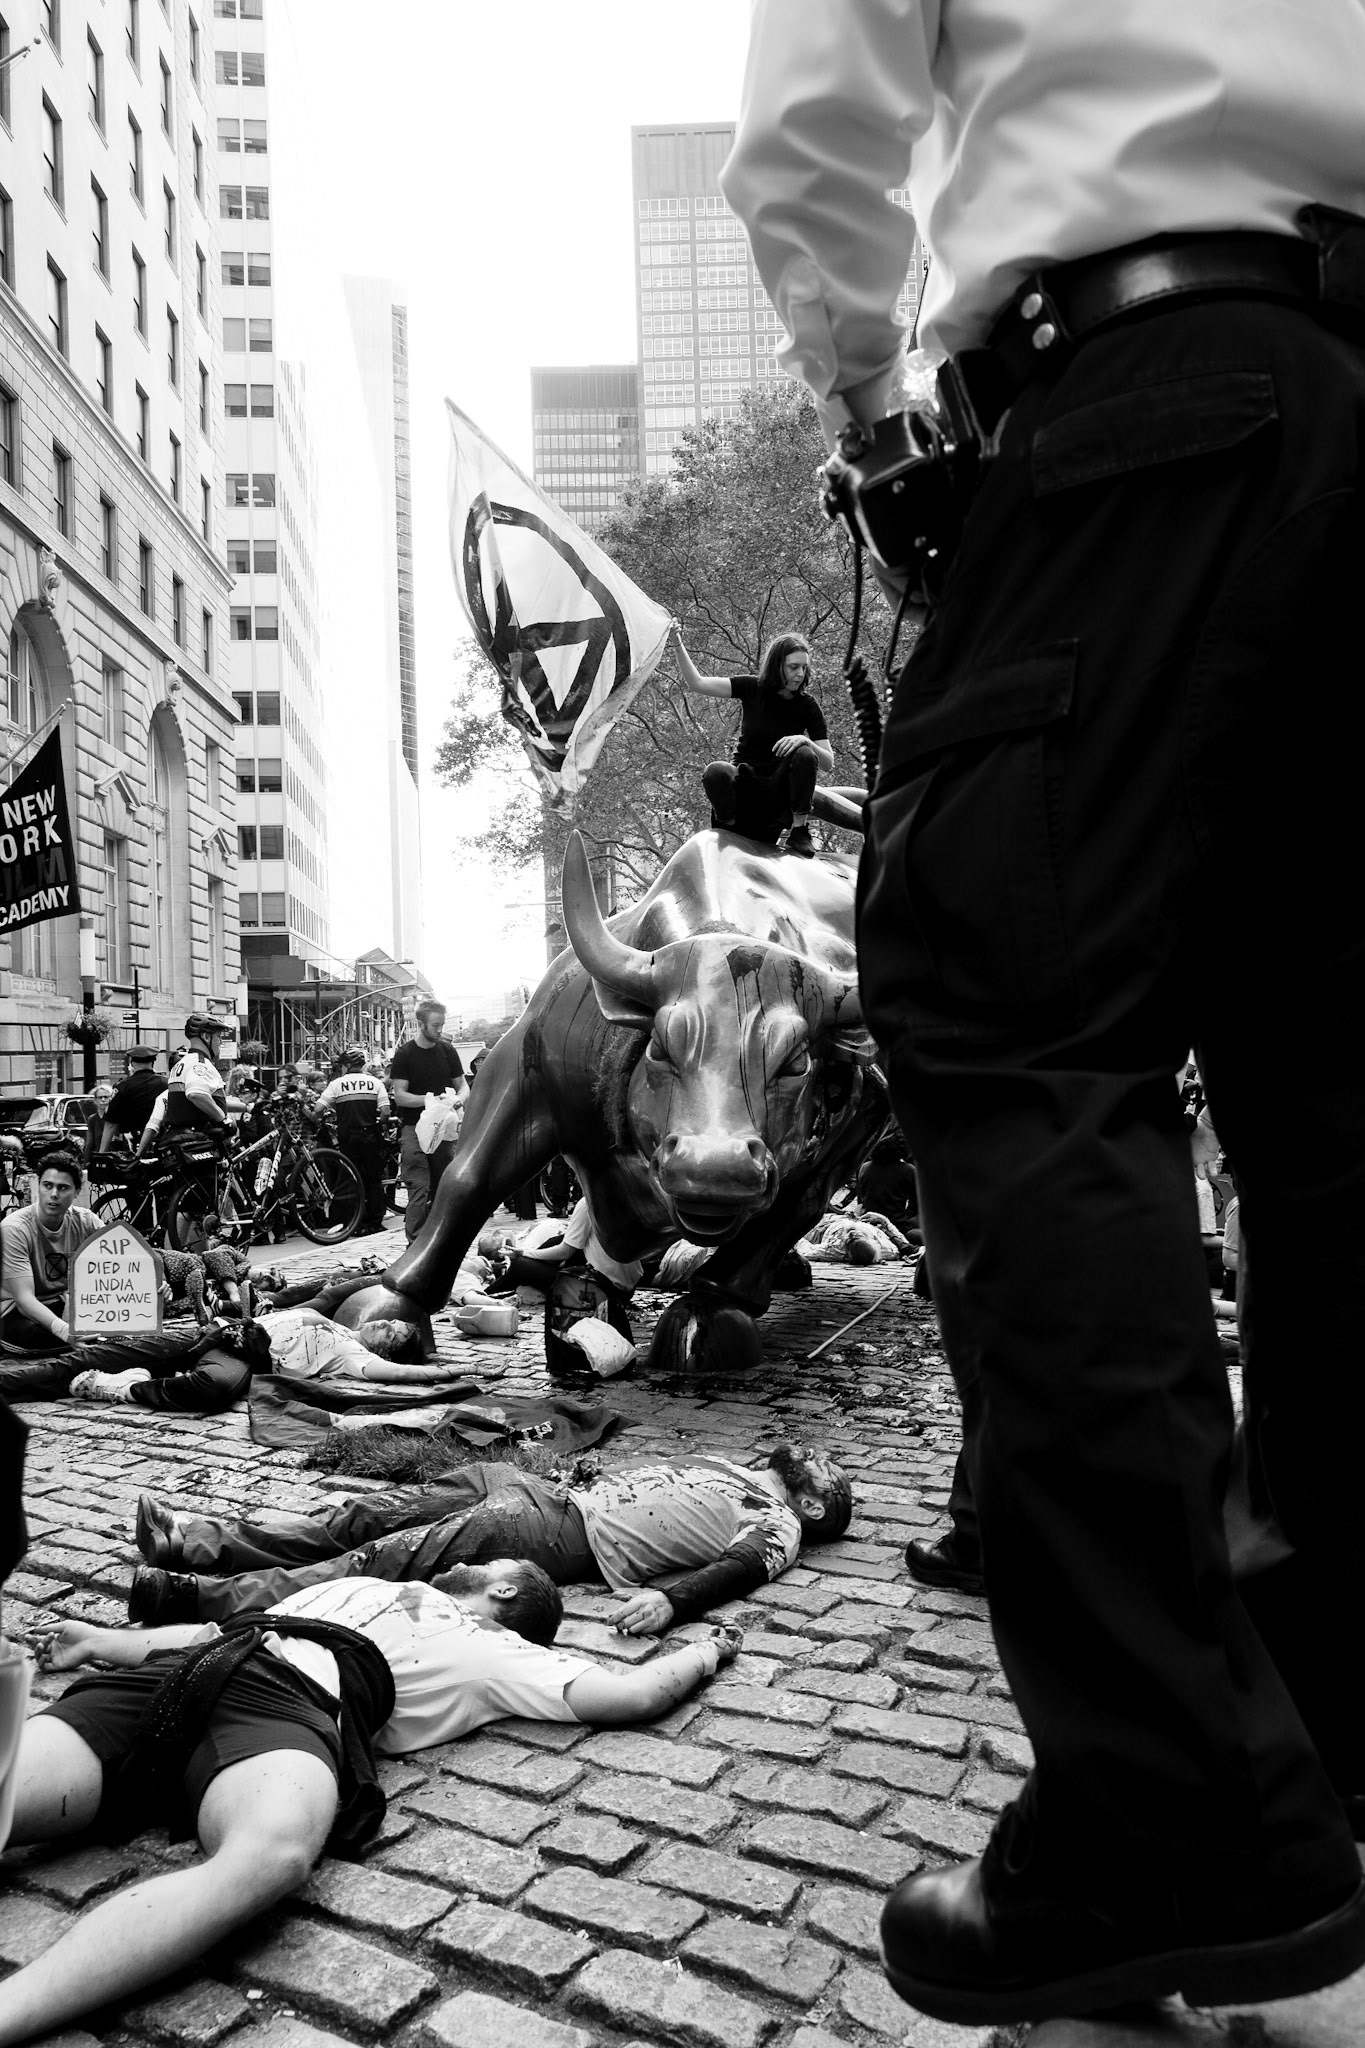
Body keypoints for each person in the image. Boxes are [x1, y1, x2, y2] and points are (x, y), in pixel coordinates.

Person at [721, 0, 1365, 2025]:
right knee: (1335, 1103)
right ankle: (1316, 1743)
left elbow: (813, 132)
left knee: (1000, 1013)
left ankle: (1174, 1808)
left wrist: (867, 402)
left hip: (1140, 396)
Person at [0, 1565, 741, 2046]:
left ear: (509, 1594)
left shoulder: (494, 1649)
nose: (471, 1563)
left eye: (495, 1568)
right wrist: (101, 1639)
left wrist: (709, 1649)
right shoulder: (375, 1584)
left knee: (268, 1855)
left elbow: (636, 1693)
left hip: (286, 1706)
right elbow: (209, 1633)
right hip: (189, 1671)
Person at [126, 1442, 854, 1630]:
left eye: (826, 1472)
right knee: (368, 1514)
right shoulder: (734, 1468)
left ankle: (196, 1599)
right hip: (548, 1492)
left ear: (816, 1508)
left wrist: (674, 1603)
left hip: (560, 1530)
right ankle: (194, 1542)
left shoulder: (778, 1521)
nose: (814, 1458)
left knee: (379, 1559)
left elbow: (738, 1572)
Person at [669, 624, 834, 858]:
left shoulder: (808, 706)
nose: (800, 674)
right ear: (778, 665)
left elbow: (827, 762)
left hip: (777, 791)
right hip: (746, 784)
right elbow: (697, 683)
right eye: (793, 667)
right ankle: (729, 824)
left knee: (805, 753)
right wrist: (677, 642)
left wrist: (803, 740)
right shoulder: (751, 687)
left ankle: (799, 830)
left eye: (804, 668)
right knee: (715, 772)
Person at [0, 1151, 103, 1353]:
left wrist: (154, 1284)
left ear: (76, 1191)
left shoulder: (87, 1221)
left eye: (63, 1188)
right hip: (16, 1309)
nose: (54, 1194)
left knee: (109, 1326)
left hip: (65, 1302)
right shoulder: (14, 1228)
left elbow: (125, 1261)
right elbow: (24, 1299)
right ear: (39, 1186)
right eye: (48, 1186)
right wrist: (64, 1330)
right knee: (31, 1336)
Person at [388, 1000, 467, 1242]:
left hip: (445, 1128)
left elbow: (463, 1085)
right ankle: (415, 1245)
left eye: (442, 1025)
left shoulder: (447, 1051)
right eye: (435, 1025)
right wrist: (430, 1101)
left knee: (444, 1186)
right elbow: (400, 1095)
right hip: (413, 1128)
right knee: (419, 1186)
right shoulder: (405, 1054)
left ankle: (440, 1240)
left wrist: (459, 1099)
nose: (439, 1030)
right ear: (420, 1024)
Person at [314, 1047, 390, 1236]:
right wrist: (378, 1123)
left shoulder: (337, 1084)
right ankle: (374, 1222)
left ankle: (354, 1222)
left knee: (352, 1179)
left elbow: (318, 1108)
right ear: (362, 1065)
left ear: (347, 1065)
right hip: (371, 1136)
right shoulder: (375, 1082)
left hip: (348, 1137)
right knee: (374, 1180)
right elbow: (386, 1112)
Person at [99, 1047, 165, 1157]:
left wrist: (101, 1155)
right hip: (162, 1148)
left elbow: (111, 1124)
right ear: (153, 1061)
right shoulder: (166, 1083)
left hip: (133, 1150)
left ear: (132, 1062)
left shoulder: (122, 1087)